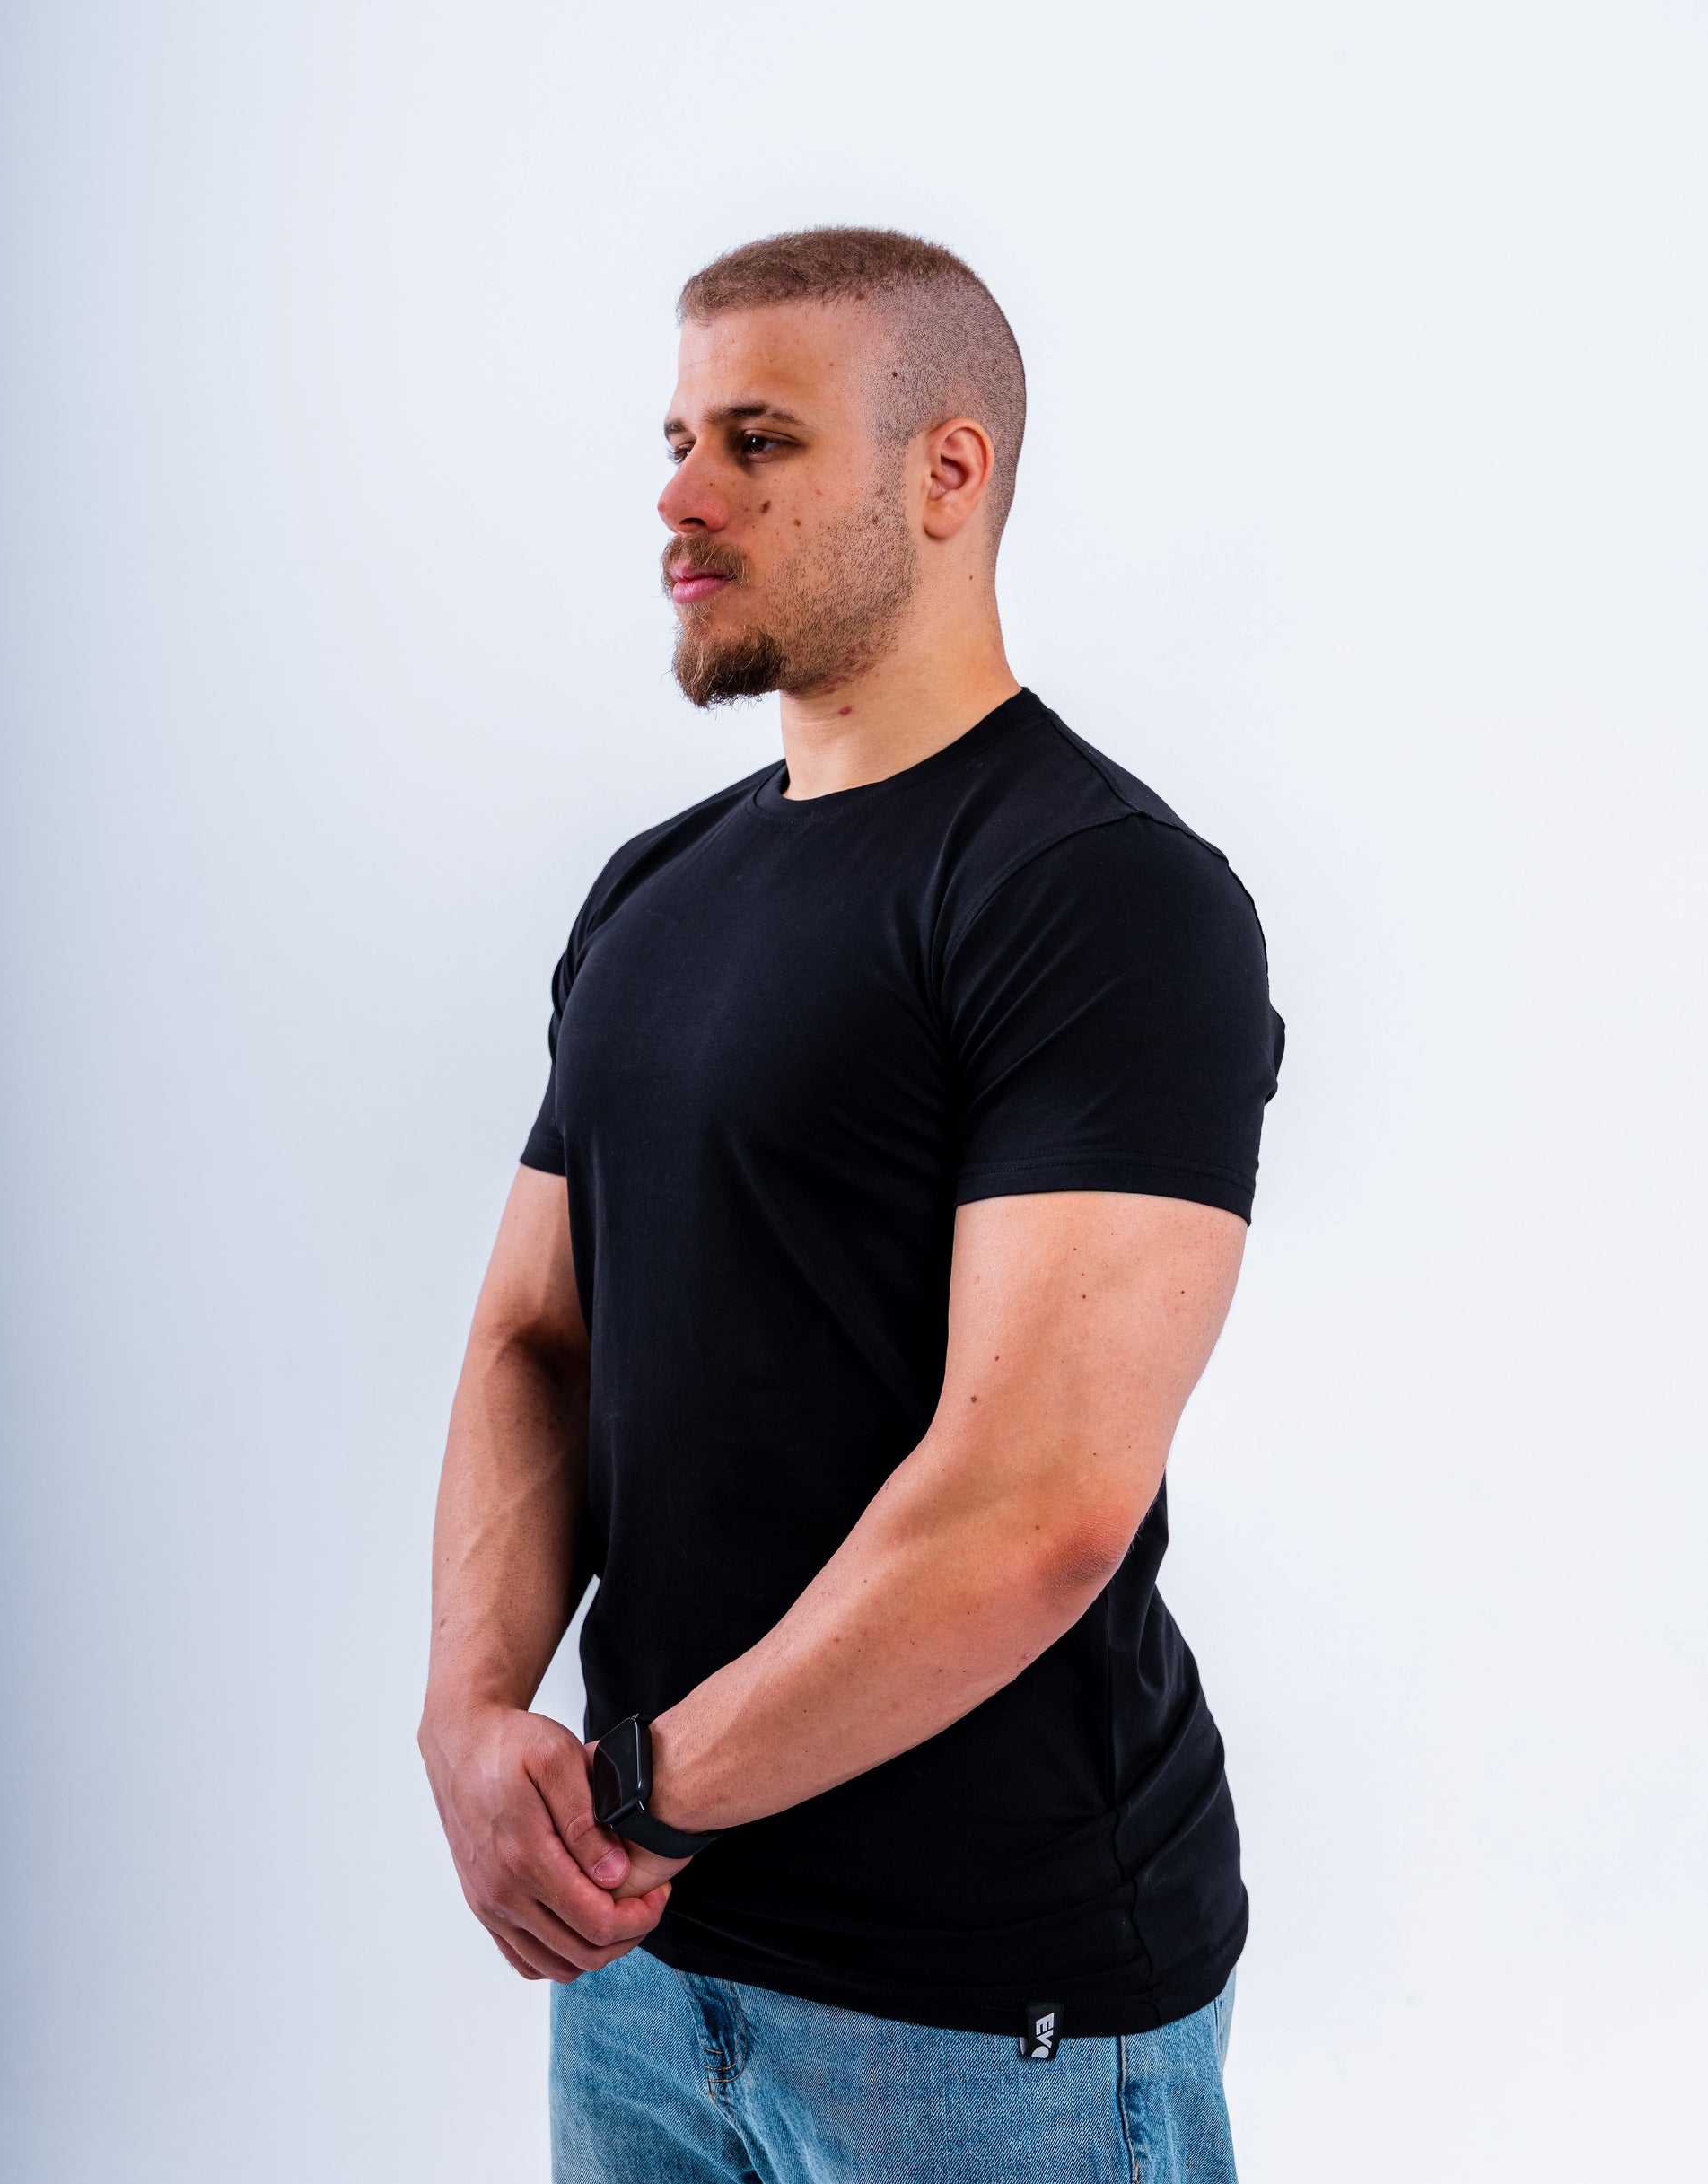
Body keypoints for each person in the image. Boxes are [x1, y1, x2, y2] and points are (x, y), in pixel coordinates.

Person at [420, 226, 1283, 2184]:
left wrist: (628, 1797)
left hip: (988, 2014)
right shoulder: (652, 891)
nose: (679, 496)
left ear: (945, 471)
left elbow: (1036, 1503)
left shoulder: (1102, 893)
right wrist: (470, 1716)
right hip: (646, 1979)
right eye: (673, 441)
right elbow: (540, 1333)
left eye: (758, 441)